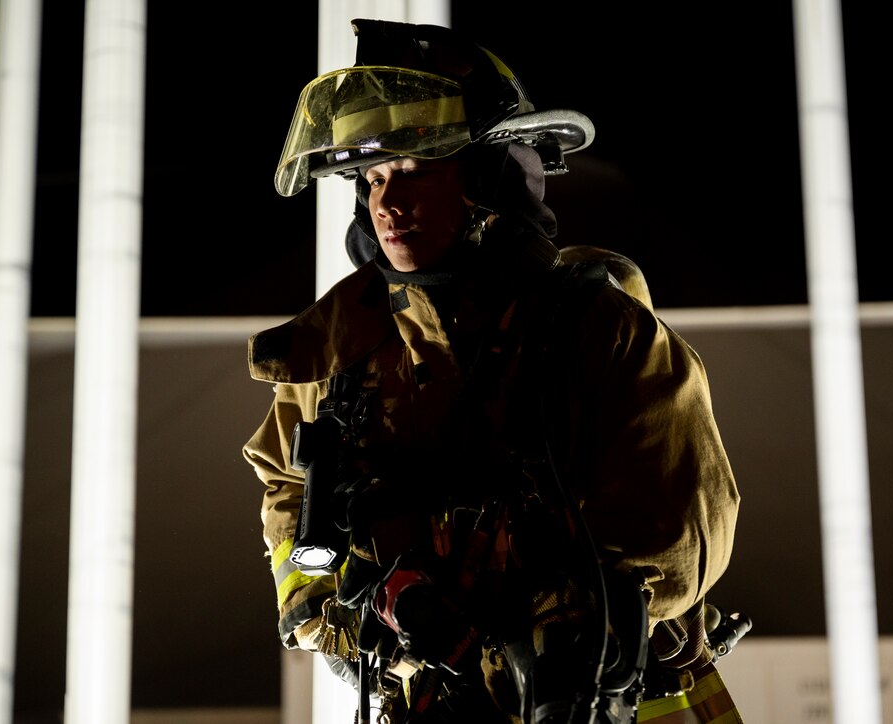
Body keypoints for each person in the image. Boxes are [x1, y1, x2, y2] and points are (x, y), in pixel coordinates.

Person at [242, 18, 744, 724]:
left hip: (609, 698)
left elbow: (682, 531)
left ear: (485, 178)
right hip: (429, 699)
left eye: (415, 169)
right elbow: (285, 481)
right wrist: (322, 607)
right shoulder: (336, 351)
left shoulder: (596, 329)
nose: (387, 202)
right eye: (375, 176)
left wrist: (561, 614)